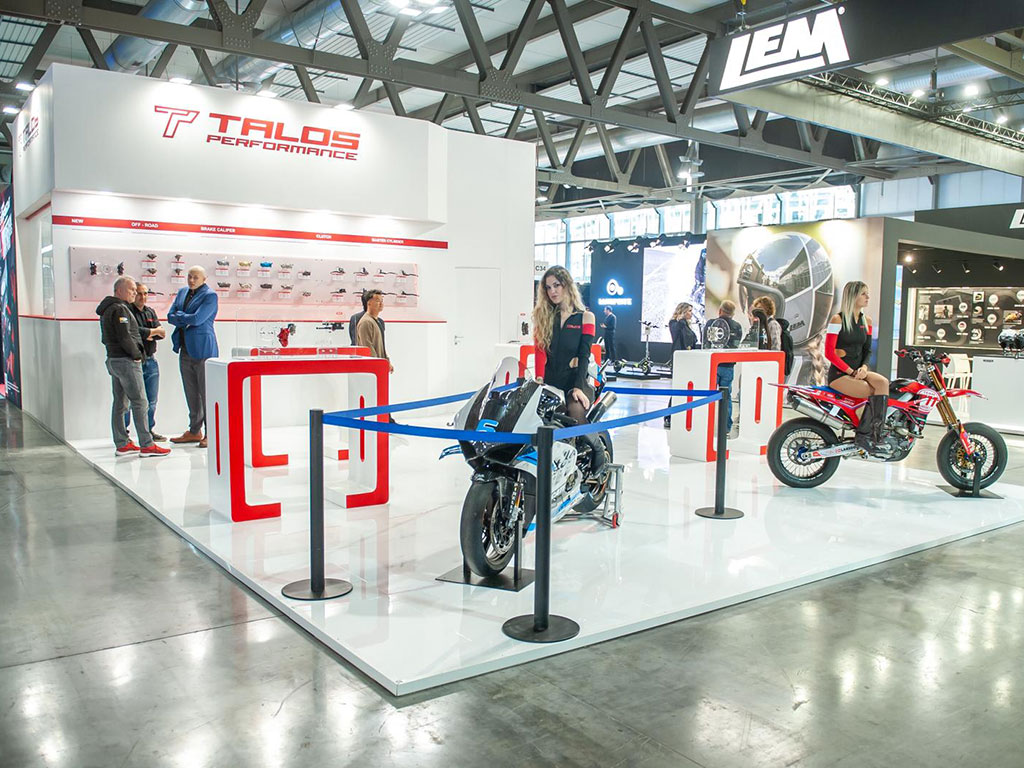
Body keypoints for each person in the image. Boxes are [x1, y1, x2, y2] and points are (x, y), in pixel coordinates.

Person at [95, 276, 171, 458]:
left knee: (120, 403)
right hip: (126, 361)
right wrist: (137, 355)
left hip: (114, 360)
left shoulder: (109, 308)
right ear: (119, 290)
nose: (134, 294)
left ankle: (122, 443)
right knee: (140, 402)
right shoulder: (119, 309)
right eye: (132, 290)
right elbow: (125, 336)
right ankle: (147, 444)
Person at [825, 281, 889, 450]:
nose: (868, 297)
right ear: (853, 296)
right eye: (863, 294)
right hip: (840, 375)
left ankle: (877, 433)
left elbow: (868, 350)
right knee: (870, 391)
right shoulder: (837, 319)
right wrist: (851, 372)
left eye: (867, 293)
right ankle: (863, 436)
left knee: (883, 383)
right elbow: (830, 353)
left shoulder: (867, 321)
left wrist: (864, 368)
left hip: (860, 370)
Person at [532, 266, 595, 423]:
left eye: (556, 285)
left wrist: (578, 387)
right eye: (548, 288)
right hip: (551, 383)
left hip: (576, 381)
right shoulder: (544, 317)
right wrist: (539, 379)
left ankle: (592, 441)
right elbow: (540, 351)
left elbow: (584, 356)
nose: (552, 291)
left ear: (567, 285)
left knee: (575, 413)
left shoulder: (586, 317)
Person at [167, 266, 219, 449]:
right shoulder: (182, 292)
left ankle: (212, 433)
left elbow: (198, 319)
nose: (191, 280)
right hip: (184, 348)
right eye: (189, 276)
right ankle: (194, 431)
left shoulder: (210, 296)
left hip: (204, 349)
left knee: (207, 393)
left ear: (204, 279)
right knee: (191, 393)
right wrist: (184, 317)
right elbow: (170, 316)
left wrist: (180, 316)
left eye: (196, 277)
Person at [125, 281, 167, 441]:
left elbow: (161, 334)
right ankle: (125, 434)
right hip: (133, 361)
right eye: (139, 293)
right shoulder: (127, 311)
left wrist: (148, 333)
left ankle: (148, 431)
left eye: (145, 294)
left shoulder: (150, 312)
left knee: (151, 400)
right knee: (129, 400)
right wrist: (151, 332)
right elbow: (132, 332)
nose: (142, 297)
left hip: (150, 361)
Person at [705, 300, 743, 434]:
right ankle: (726, 427)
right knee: (727, 396)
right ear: (733, 313)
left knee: (707, 395)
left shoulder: (711, 323)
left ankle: (705, 424)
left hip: (712, 364)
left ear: (720, 310)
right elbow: (736, 345)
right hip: (728, 365)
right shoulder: (737, 326)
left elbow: (706, 342)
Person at [665, 302, 699, 428]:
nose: (691, 314)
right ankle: (669, 416)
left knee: (686, 388)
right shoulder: (675, 323)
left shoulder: (687, 325)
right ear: (683, 311)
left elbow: (692, 340)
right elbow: (679, 336)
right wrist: (682, 321)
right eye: (689, 311)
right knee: (677, 387)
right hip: (679, 360)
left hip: (688, 359)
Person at [356, 289, 394, 373]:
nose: (381, 304)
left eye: (382, 301)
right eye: (377, 301)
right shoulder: (366, 322)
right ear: (369, 303)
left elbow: (381, 345)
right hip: (372, 369)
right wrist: (378, 365)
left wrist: (387, 362)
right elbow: (368, 347)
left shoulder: (377, 321)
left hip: (379, 367)